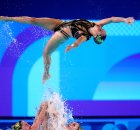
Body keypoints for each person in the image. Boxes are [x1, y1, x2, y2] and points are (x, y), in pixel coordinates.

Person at [0, 16, 135, 83]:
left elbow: (79, 41)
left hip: (61, 35)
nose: (102, 29)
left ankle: (46, 72)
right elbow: (112, 19)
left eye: (101, 33)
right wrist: (124, 20)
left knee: (46, 52)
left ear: (98, 36)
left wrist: (72, 46)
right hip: (60, 23)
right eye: (103, 30)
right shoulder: (97, 24)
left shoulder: (86, 36)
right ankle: (6, 18)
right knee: (34, 20)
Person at [12, 94, 82, 130]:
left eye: (74, 125)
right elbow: (38, 121)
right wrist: (46, 107)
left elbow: (36, 121)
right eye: (26, 125)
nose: (28, 124)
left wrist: (42, 109)